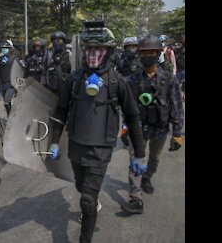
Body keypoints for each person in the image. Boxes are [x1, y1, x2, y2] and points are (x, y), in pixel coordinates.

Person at [49, 22, 146, 243]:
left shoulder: (117, 82)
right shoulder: (73, 79)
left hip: (100, 149)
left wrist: (139, 153)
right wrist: (55, 141)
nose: (93, 54)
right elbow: (61, 110)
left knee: (87, 200)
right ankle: (91, 201)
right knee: (80, 186)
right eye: (89, 49)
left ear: (109, 52)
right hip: (75, 146)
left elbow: (132, 117)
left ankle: (85, 238)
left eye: (98, 49)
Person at [121, 35, 184, 214]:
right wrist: (124, 127)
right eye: (144, 52)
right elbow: (126, 106)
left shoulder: (169, 79)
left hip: (160, 129)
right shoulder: (131, 80)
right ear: (140, 55)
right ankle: (135, 198)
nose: (148, 55)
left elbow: (177, 107)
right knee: (135, 160)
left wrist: (177, 133)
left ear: (158, 53)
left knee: (154, 159)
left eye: (151, 52)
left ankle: (147, 177)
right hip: (137, 128)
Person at [0, 39, 19, 115]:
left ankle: (12, 116)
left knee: (6, 102)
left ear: (11, 48)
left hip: (12, 85)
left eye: (6, 48)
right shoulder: (1, 60)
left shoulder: (15, 59)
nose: (4, 49)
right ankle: (10, 117)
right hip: (3, 85)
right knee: (6, 103)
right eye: (3, 48)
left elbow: (19, 72)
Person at [174, 34, 185, 100]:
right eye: (182, 39)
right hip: (179, 69)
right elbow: (174, 59)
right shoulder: (178, 49)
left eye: (183, 38)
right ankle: (180, 95)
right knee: (178, 84)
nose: (182, 40)